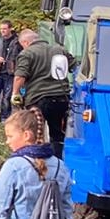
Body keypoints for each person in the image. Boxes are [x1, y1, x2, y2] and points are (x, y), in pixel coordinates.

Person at [11, 29, 73, 158]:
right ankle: (57, 161)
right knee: (58, 134)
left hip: (38, 99)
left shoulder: (27, 53)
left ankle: (37, 161)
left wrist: (15, 94)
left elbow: (19, 77)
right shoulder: (59, 50)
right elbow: (74, 66)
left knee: (35, 132)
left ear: (25, 42)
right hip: (61, 98)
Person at [0, 20, 21, 122]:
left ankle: (4, 118)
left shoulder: (17, 42)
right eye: (1, 29)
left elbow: (21, 56)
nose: (2, 31)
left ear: (10, 29)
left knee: (7, 97)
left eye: (5, 29)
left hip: (11, 73)